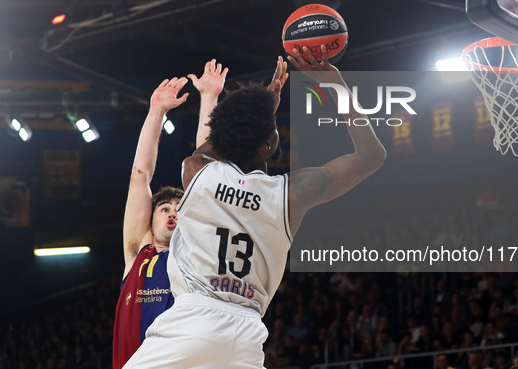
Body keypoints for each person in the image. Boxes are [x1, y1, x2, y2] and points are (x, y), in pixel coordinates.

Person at [123, 47, 386, 368]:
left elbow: (212, 141)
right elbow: (372, 156)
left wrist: (261, 108)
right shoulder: (292, 193)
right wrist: (336, 84)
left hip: (193, 319)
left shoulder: (197, 170)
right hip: (247, 334)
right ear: (272, 142)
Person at [112, 60, 228, 368]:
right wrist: (156, 111)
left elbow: (206, 167)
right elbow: (140, 175)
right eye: (164, 209)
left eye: (179, 209)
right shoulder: (138, 251)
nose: (172, 214)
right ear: (149, 223)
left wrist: (209, 98)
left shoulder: (193, 252)